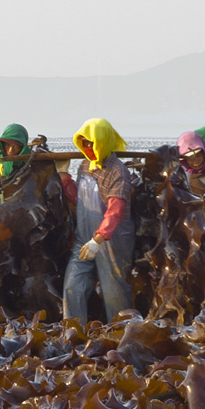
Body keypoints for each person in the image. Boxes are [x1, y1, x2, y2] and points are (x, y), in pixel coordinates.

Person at [61, 118, 135, 326]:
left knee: (114, 292)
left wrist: (99, 239)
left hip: (113, 243)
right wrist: (64, 178)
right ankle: (73, 335)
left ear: (103, 141)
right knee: (72, 287)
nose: (87, 148)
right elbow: (80, 200)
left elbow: (116, 210)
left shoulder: (117, 171)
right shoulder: (85, 165)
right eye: (84, 143)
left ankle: (123, 335)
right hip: (84, 238)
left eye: (92, 143)